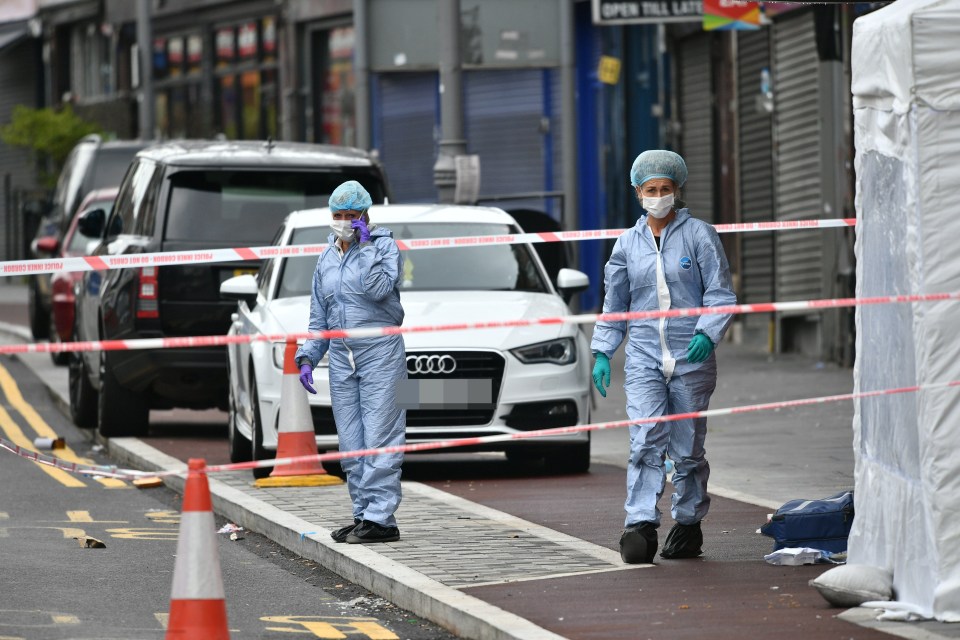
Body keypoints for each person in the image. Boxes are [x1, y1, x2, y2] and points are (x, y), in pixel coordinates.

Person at [591, 150, 736, 564]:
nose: (659, 196)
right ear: (638, 193)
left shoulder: (700, 236)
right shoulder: (626, 245)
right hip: (644, 358)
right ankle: (640, 524)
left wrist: (709, 334)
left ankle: (688, 524)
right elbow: (615, 305)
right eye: (651, 190)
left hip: (692, 357)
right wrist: (603, 351)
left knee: (687, 448)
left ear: (677, 190)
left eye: (665, 189)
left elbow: (720, 293)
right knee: (644, 439)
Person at [295, 180, 407, 545]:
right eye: (339, 215)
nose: (344, 221)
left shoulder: (385, 247)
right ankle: (362, 514)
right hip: (343, 359)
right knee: (352, 441)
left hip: (380, 354)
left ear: (366, 215)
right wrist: (309, 356)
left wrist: (367, 245)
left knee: (380, 436)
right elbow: (319, 315)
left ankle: (381, 518)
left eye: (352, 215)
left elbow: (377, 290)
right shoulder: (326, 258)